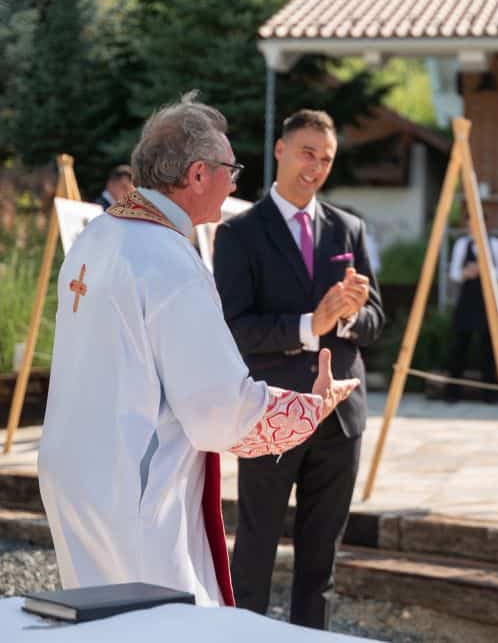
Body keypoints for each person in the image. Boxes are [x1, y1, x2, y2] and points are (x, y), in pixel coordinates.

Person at [37, 92, 359, 607]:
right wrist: (309, 407)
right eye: (230, 170)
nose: (235, 184)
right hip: (137, 487)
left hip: (75, 470)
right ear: (196, 175)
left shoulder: (96, 237)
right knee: (157, 623)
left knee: (99, 621)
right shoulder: (167, 259)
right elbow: (216, 410)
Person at [213, 109, 384, 629]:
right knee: (255, 550)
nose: (316, 166)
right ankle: (244, 637)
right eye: (307, 153)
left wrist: (351, 315)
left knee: (321, 561)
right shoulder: (239, 234)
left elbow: (376, 320)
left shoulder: (348, 227)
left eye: (326, 158)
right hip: (272, 411)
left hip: (340, 416)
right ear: (281, 151)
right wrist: (313, 323)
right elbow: (235, 328)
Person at [445, 210, 498, 402]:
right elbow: (454, 273)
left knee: (489, 346)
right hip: (467, 297)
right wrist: (466, 272)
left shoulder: (494, 244)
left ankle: (491, 394)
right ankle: (452, 392)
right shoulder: (462, 244)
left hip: (487, 298)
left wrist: (483, 270)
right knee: (459, 344)